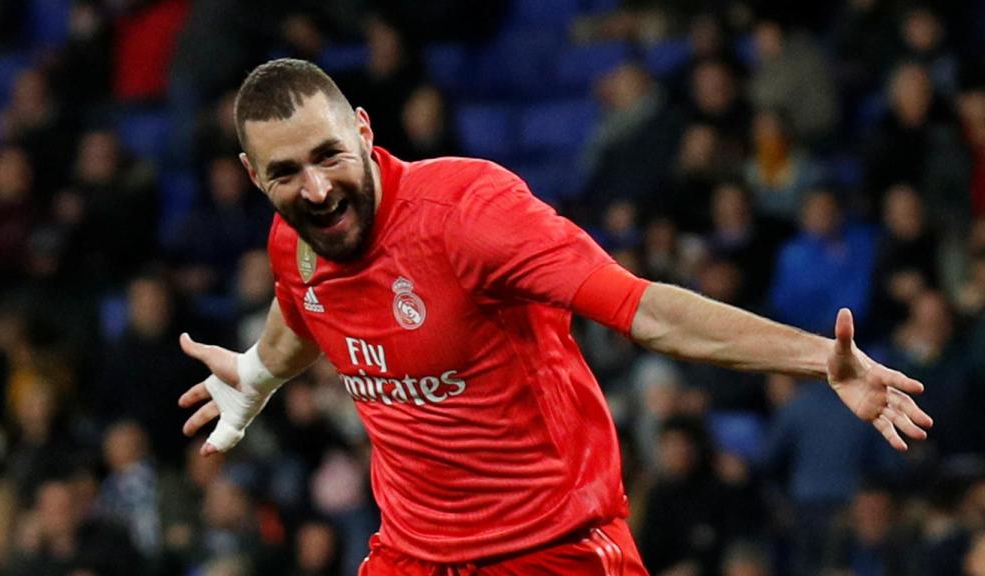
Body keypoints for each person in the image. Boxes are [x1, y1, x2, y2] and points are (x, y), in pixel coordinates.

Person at [177, 58, 933, 575]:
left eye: (329, 156)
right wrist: (256, 374)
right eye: (285, 173)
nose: (315, 191)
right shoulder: (297, 242)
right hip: (414, 555)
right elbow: (303, 304)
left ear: (366, 133)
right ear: (253, 176)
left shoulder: (468, 218)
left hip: (553, 549)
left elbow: (644, 309)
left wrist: (815, 357)